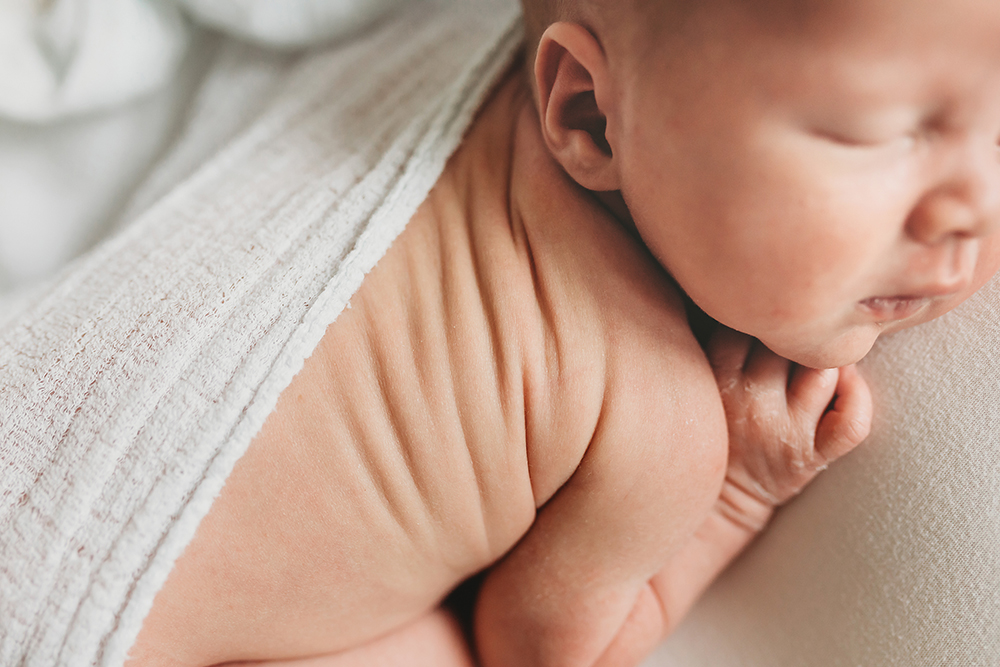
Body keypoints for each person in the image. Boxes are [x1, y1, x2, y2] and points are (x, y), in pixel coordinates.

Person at [126, 0, 1000, 665]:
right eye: (874, 132)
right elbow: (542, 649)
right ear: (587, 115)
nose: (975, 208)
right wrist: (736, 490)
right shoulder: (656, 419)